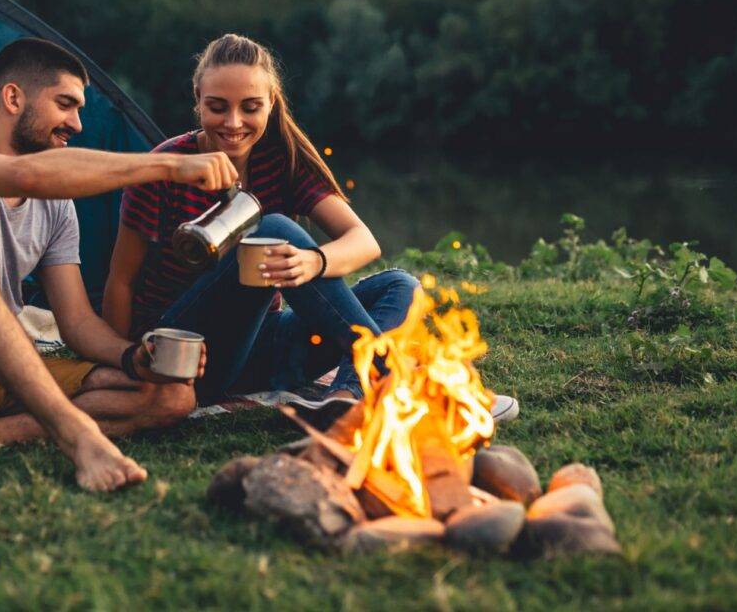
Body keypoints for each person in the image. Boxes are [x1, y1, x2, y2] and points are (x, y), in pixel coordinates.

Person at [0, 37, 238, 491]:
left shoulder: (57, 209)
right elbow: (27, 176)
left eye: (79, 109)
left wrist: (131, 356)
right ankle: (78, 438)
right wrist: (168, 167)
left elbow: (75, 321)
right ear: (13, 97)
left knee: (171, 396)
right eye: (65, 104)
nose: (76, 123)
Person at [104, 33, 518, 421]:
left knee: (399, 286)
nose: (233, 122)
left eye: (250, 107)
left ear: (270, 103)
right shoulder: (166, 166)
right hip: (191, 355)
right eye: (217, 106)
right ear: (197, 100)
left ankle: (348, 397)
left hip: (266, 346)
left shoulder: (280, 159)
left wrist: (314, 262)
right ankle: (391, 376)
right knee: (277, 228)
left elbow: (364, 241)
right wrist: (126, 362)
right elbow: (121, 281)